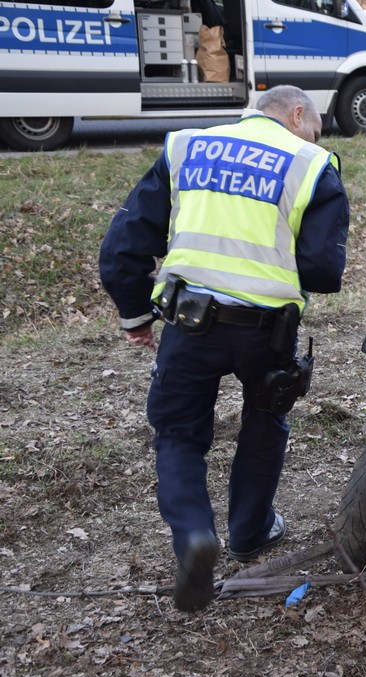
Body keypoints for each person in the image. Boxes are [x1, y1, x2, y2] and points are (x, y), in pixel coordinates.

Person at [99, 85, 349, 613]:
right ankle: (250, 531)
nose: (315, 137)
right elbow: (325, 270)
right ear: (297, 113)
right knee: (266, 419)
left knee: (178, 435)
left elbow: (125, 242)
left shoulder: (185, 147)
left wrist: (135, 314)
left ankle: (192, 534)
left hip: (190, 325)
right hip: (267, 332)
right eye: (316, 126)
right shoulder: (311, 164)